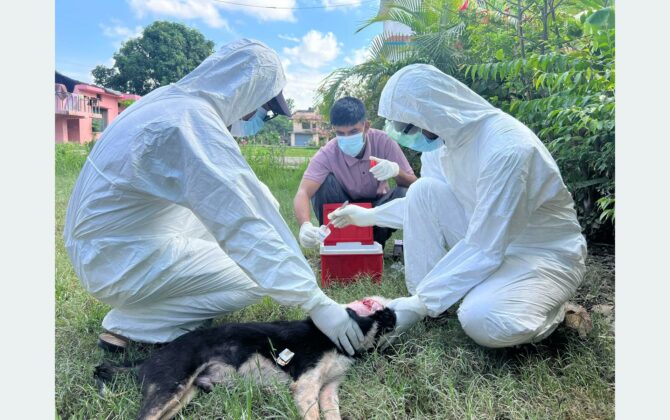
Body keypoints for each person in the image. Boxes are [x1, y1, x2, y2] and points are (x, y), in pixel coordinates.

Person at [63, 39, 364, 356]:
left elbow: (244, 199)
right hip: (116, 259)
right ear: (245, 92)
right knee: (253, 276)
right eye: (263, 108)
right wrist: (316, 303)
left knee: (261, 199)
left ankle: (159, 302)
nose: (257, 117)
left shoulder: (171, 101)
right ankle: (135, 323)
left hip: (108, 245)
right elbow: (242, 221)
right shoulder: (190, 123)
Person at [329, 64, 587, 348]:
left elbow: (485, 245)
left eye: (406, 128)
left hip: (542, 252)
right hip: (491, 239)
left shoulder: (506, 149)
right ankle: (432, 305)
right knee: (423, 189)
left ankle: (552, 311)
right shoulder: (442, 143)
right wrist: (368, 216)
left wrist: (419, 303)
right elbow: (423, 206)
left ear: (433, 114)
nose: (403, 136)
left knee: (483, 319)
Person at [294, 97, 417, 250]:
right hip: (343, 210)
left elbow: (415, 185)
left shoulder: (384, 142)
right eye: (340, 133)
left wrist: (396, 171)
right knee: (324, 184)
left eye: (353, 131)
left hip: (376, 210)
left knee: (404, 192)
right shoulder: (328, 153)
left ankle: (375, 242)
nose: (347, 139)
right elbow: (303, 192)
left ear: (366, 126)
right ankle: (336, 240)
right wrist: (305, 225)